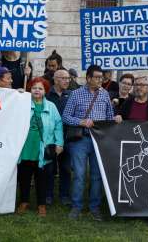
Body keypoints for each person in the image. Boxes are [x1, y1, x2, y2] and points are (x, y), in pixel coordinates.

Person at [62, 65, 114, 221]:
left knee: (97, 176)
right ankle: (76, 206)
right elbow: (65, 117)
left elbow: (110, 116)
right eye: (97, 77)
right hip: (81, 140)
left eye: (102, 77)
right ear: (88, 78)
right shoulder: (76, 94)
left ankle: (94, 207)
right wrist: (81, 122)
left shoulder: (105, 95)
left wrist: (114, 119)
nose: (100, 80)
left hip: (99, 140)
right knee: (79, 175)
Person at [17, 77, 63, 217]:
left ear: (45, 91)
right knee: (24, 177)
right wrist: (16, 94)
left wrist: (59, 143)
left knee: (42, 178)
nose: (37, 90)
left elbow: (58, 125)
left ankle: (41, 205)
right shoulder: (22, 103)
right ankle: (24, 202)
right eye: (34, 88)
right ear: (29, 90)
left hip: (43, 148)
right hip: (25, 146)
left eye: (40, 88)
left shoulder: (51, 106)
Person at [45, 68, 73, 206]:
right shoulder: (46, 95)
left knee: (66, 168)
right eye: (64, 78)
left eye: (68, 78)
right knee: (49, 167)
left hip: (67, 136)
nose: (67, 81)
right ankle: (48, 195)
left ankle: (64, 195)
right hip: (50, 137)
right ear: (55, 79)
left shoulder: (72, 94)